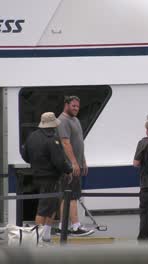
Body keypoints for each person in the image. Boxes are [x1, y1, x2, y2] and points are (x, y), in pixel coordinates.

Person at [21, 112, 72, 242]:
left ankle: (46, 234)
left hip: (37, 175)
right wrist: (68, 170)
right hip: (51, 177)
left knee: (52, 205)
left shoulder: (32, 137)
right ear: (52, 125)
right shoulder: (52, 139)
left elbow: (25, 155)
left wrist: (36, 164)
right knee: (44, 208)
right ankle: (37, 237)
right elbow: (59, 161)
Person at [57, 95, 94, 236]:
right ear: (66, 105)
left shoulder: (75, 120)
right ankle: (75, 227)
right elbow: (66, 143)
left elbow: (79, 142)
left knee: (67, 197)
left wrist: (83, 161)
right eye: (73, 106)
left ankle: (62, 226)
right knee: (72, 197)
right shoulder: (62, 121)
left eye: (77, 106)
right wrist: (73, 163)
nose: (76, 109)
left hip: (76, 164)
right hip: (69, 167)